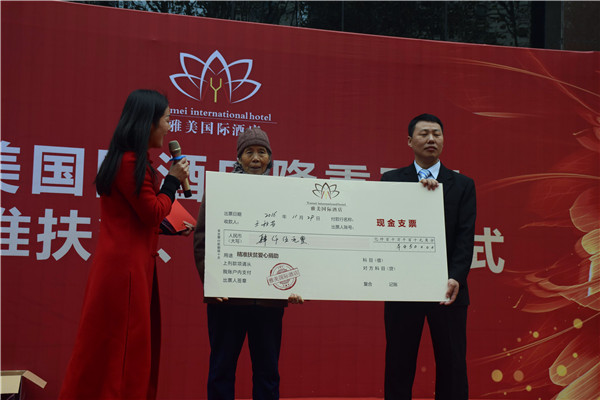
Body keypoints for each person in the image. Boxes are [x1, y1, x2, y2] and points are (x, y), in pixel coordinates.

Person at [59, 89, 191, 400]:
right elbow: (152, 211)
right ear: (148, 122)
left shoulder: (127, 160)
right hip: (126, 273)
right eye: (166, 119)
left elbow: (136, 217)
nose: (168, 127)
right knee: (124, 348)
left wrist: (169, 227)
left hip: (124, 266)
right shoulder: (131, 162)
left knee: (109, 347)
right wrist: (173, 180)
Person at [193, 127, 303, 400]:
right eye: (249, 152)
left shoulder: (285, 194)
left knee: (268, 372)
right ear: (238, 158)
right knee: (221, 370)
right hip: (226, 299)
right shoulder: (221, 190)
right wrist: (213, 283)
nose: (256, 158)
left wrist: (299, 284)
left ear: (270, 158)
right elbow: (202, 240)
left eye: (261, 152)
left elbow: (298, 243)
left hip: (268, 301)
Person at [381, 113, 476, 400]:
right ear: (410, 141)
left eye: (437, 133)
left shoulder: (462, 185)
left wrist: (456, 277)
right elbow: (381, 227)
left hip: (447, 289)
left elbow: (465, 239)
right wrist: (417, 194)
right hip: (403, 288)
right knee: (398, 364)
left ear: (444, 140)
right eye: (424, 134)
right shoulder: (390, 181)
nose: (431, 138)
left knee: (452, 365)